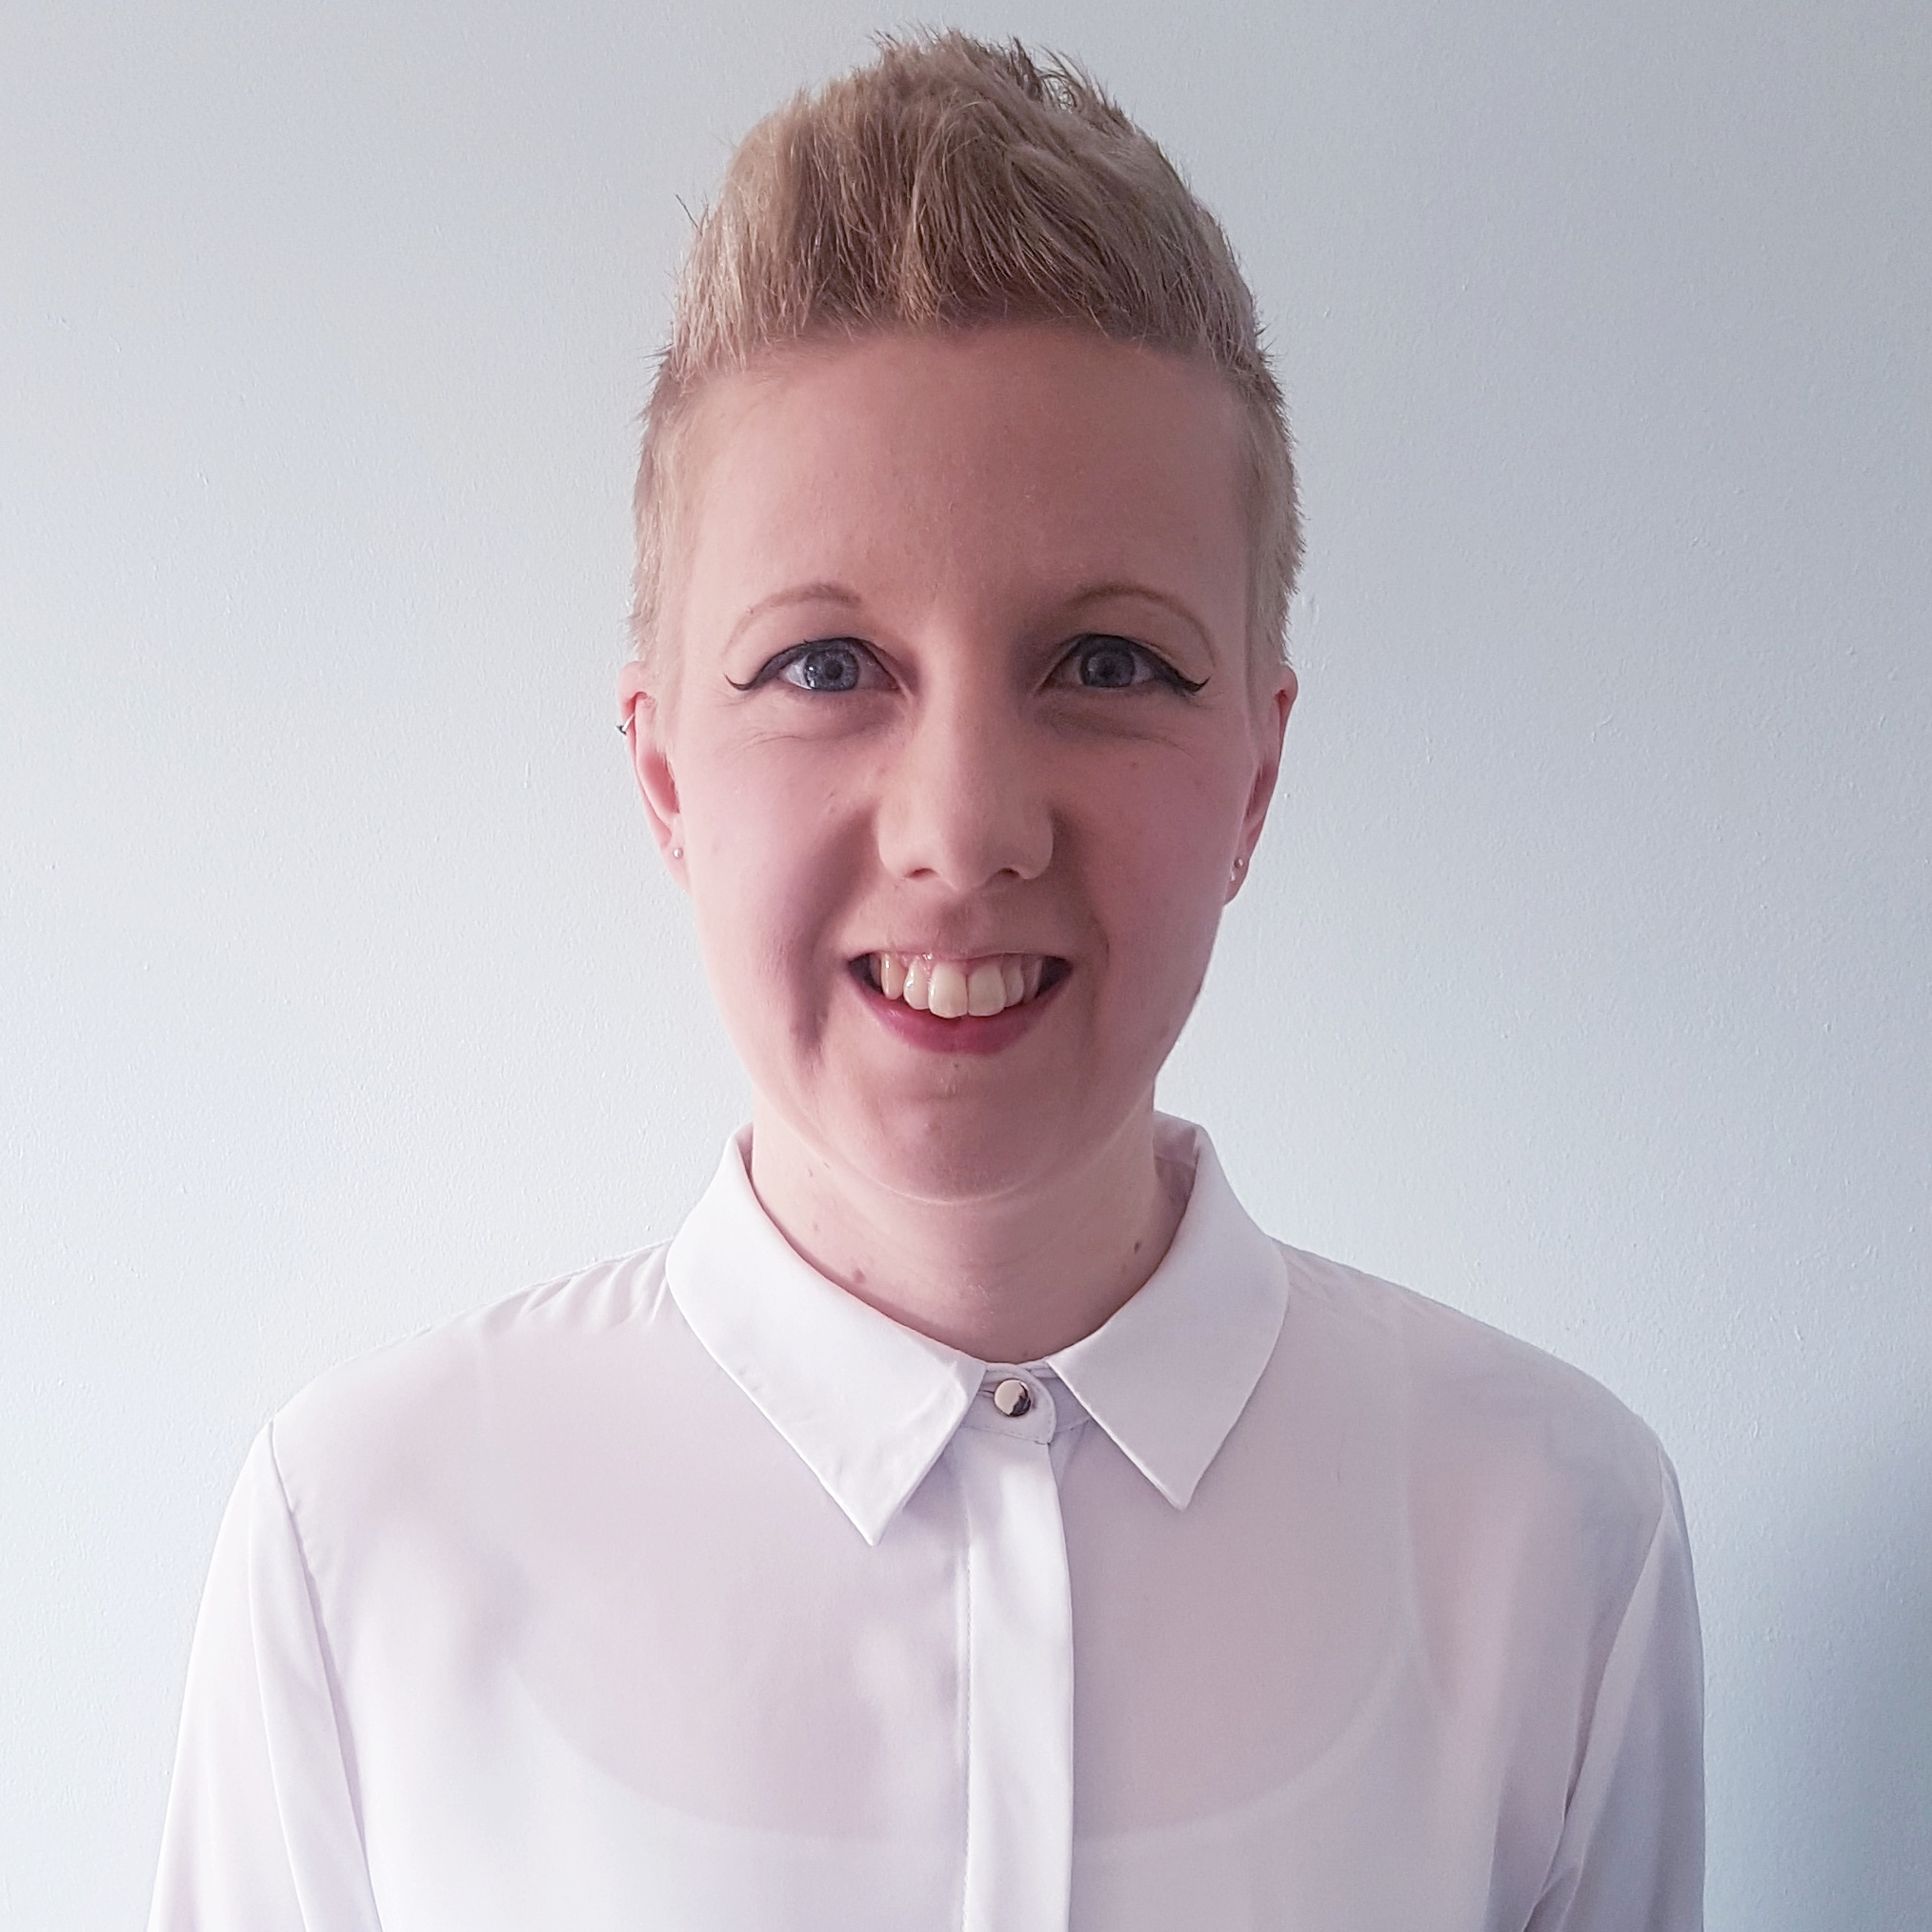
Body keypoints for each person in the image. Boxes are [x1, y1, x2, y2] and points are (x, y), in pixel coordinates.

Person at [147, 32, 1703, 1932]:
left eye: (1109, 665)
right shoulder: (364, 1550)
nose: (964, 832)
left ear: (1257, 777)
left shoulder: (1551, 1538)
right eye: (824, 667)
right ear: (665, 778)